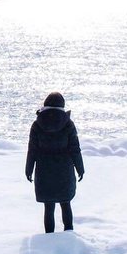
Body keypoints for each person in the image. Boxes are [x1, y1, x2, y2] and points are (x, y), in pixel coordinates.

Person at [25, 91, 85, 233]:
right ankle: (69, 234)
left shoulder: (37, 124)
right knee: (66, 204)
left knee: (49, 206)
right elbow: (75, 149)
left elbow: (32, 149)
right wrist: (80, 168)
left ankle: (49, 238)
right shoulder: (68, 124)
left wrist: (28, 169)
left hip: (44, 170)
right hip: (64, 170)